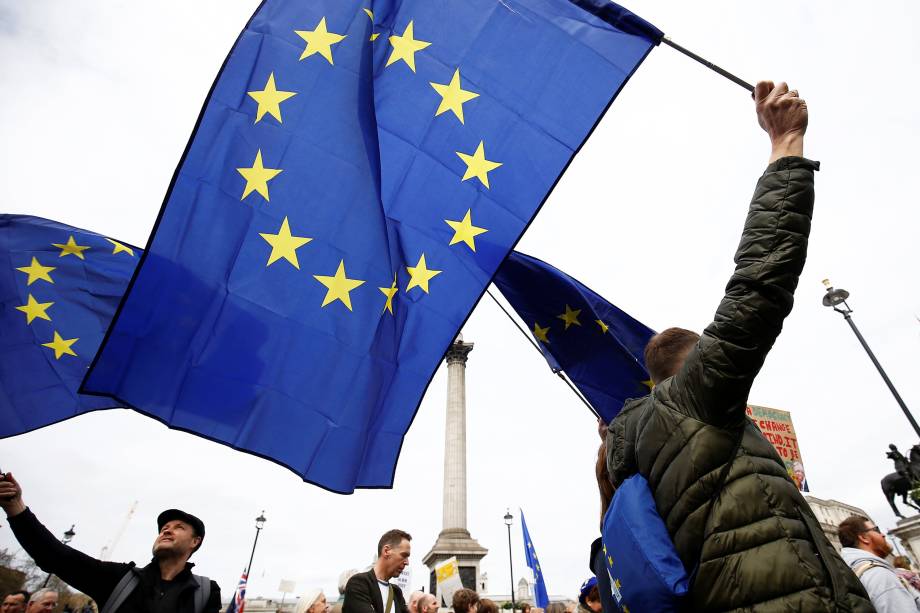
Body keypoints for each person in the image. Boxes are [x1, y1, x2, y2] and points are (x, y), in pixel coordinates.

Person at [602, 81, 873, 611]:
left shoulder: (634, 453)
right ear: (699, 359)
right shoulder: (697, 399)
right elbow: (759, 283)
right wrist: (786, 145)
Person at [0, 472, 220, 613]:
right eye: (164, 528)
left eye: (178, 527)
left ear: (195, 541)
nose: (167, 530)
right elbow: (55, 555)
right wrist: (15, 507)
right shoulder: (119, 579)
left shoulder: (206, 591)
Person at [839, 516, 920, 611]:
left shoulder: (854, 572)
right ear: (864, 537)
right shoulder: (880, 575)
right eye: (876, 530)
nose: (883, 535)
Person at [342, 530, 411, 613]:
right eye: (404, 555)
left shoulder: (397, 592)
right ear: (386, 551)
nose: (407, 562)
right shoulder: (358, 583)